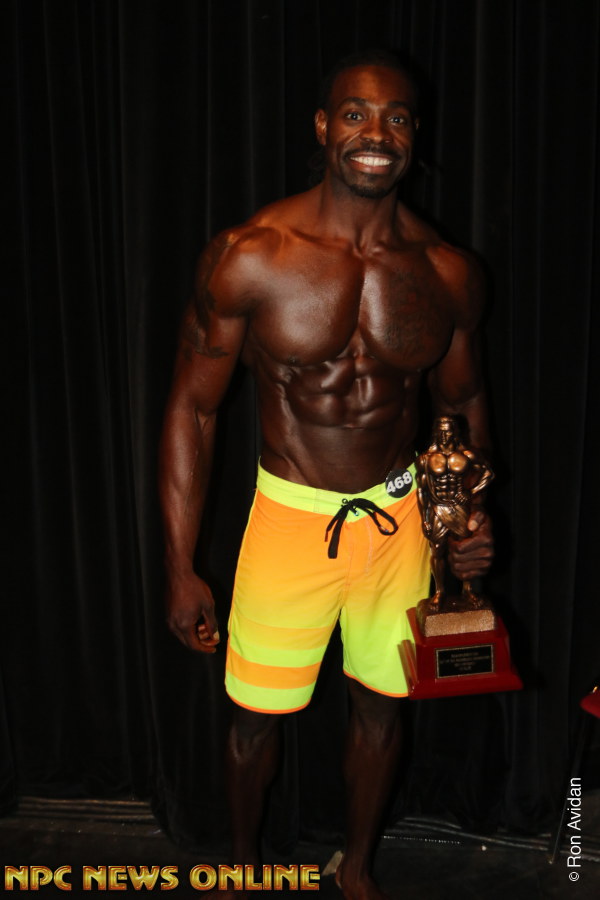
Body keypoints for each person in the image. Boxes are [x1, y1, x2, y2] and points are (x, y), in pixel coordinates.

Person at [159, 49, 494, 900]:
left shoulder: (446, 272)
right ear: (322, 127)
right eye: (355, 114)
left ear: (415, 135)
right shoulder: (252, 255)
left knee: (383, 708)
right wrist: (180, 564)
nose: (376, 134)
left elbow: (462, 406)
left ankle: (358, 871)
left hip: (399, 524)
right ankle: (244, 868)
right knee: (253, 720)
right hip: (290, 520)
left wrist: (464, 517)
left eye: (397, 118)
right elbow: (193, 410)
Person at [416, 416, 494, 608]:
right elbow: (421, 490)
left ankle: (468, 590)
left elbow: (488, 474)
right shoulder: (426, 458)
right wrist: (425, 518)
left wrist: (471, 492)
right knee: (437, 550)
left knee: (464, 547)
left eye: (448, 431)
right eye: (441, 432)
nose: (444, 436)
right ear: (436, 433)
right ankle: (439, 591)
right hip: (437, 506)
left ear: (455, 432)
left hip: (459, 507)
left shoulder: (466, 455)